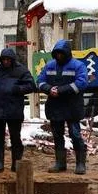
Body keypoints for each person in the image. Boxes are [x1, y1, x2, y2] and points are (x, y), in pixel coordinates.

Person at [37, 39, 88, 175]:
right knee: (57, 135)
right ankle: (60, 163)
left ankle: (80, 163)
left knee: (75, 134)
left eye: (61, 53)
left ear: (67, 53)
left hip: (72, 106)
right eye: (57, 53)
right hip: (55, 106)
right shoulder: (49, 66)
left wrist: (61, 90)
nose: (59, 56)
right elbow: (40, 81)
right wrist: (49, 89)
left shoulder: (78, 66)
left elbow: (81, 83)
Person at [0, 47, 35, 173]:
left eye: (8, 59)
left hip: (14, 110)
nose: (6, 62)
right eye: (4, 59)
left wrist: (17, 89)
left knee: (15, 138)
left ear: (12, 60)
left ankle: (16, 163)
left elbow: (31, 85)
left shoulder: (22, 70)